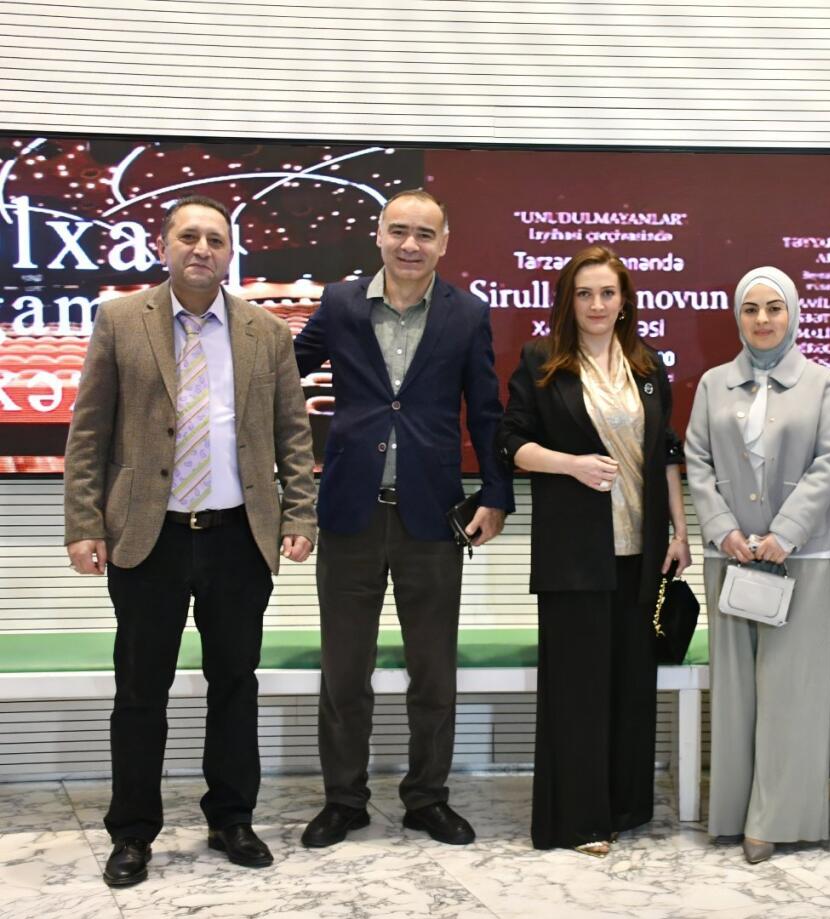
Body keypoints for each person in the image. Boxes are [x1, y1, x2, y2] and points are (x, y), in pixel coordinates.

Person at [63, 194, 317, 887]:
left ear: (230, 252)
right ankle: (132, 832)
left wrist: (300, 515)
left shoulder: (268, 331)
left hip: (238, 538)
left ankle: (232, 817)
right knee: (140, 690)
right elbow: (89, 431)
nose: (202, 248)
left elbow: (293, 432)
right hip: (149, 539)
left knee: (234, 683)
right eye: (189, 237)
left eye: (215, 239)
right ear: (164, 245)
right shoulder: (121, 319)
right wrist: (84, 523)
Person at [293, 188, 514, 849]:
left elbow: (486, 411)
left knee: (433, 672)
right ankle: (344, 800)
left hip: (433, 517)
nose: (410, 244)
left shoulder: (467, 314)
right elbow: (279, 372)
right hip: (349, 514)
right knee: (343, 673)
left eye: (424, 233)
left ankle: (427, 798)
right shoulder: (339, 304)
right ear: (379, 235)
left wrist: (496, 494)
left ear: (444, 243)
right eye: (399, 230)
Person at [496, 245, 690, 857]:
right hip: (574, 553)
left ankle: (624, 809)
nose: (597, 305)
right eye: (584, 294)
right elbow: (511, 443)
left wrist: (680, 531)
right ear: (568, 301)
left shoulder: (647, 365)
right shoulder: (542, 361)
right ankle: (578, 821)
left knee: (630, 687)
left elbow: (665, 451)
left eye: (607, 293)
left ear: (624, 300)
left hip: (641, 551)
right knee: (577, 690)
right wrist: (570, 464)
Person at [683, 267, 830, 864]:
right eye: (750, 309)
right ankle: (733, 813)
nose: (762, 319)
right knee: (735, 689)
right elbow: (697, 460)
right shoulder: (713, 384)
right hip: (729, 556)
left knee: (793, 689)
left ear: (792, 313)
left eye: (774, 308)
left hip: (798, 558)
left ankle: (778, 819)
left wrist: (785, 533)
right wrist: (722, 528)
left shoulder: (823, 384)